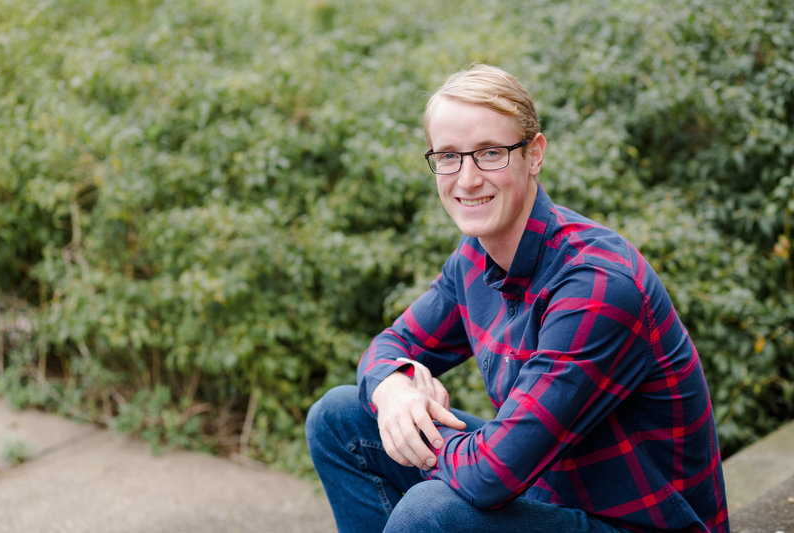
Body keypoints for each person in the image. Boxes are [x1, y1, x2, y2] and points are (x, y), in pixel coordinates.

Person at [306, 64, 729, 532]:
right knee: (339, 419)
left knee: (432, 514)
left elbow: (492, 476)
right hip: (549, 495)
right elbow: (390, 345)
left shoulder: (597, 285)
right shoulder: (473, 258)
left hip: (635, 524)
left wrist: (425, 433)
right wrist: (393, 388)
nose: (466, 179)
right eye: (448, 156)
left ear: (534, 154)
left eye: (490, 153)